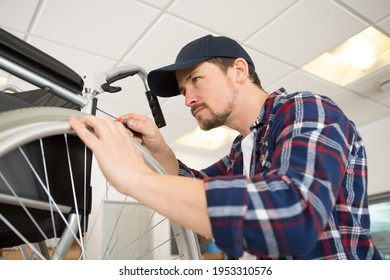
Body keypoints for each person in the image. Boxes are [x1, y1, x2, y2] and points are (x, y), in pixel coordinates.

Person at [69, 34, 382, 260]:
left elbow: (293, 216)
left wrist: (135, 178)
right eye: (182, 90)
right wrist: (162, 153)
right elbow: (197, 189)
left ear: (240, 71)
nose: (188, 99)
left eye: (195, 79)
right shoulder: (242, 149)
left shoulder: (305, 108)